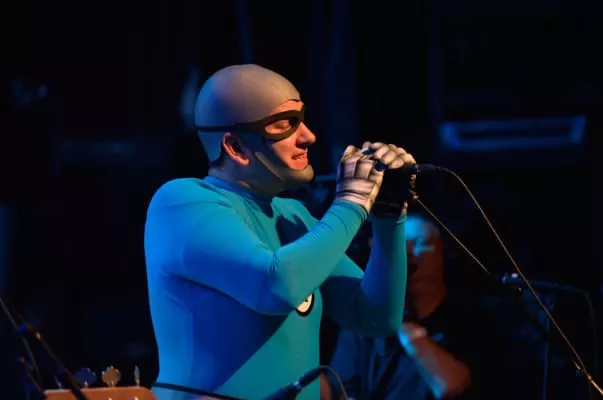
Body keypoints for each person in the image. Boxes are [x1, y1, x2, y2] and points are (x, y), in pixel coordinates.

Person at [144, 64, 417, 400]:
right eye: (285, 124)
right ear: (235, 147)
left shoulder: (293, 215)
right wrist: (351, 203)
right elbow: (275, 287)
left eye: (302, 119)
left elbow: (375, 318)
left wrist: (389, 217)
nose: (308, 136)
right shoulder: (182, 202)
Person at [324, 212, 540, 400]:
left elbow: (450, 385)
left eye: (420, 243)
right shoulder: (364, 326)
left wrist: (406, 329)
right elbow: (342, 389)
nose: (408, 253)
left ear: (443, 255)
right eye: (400, 244)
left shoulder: (474, 322)